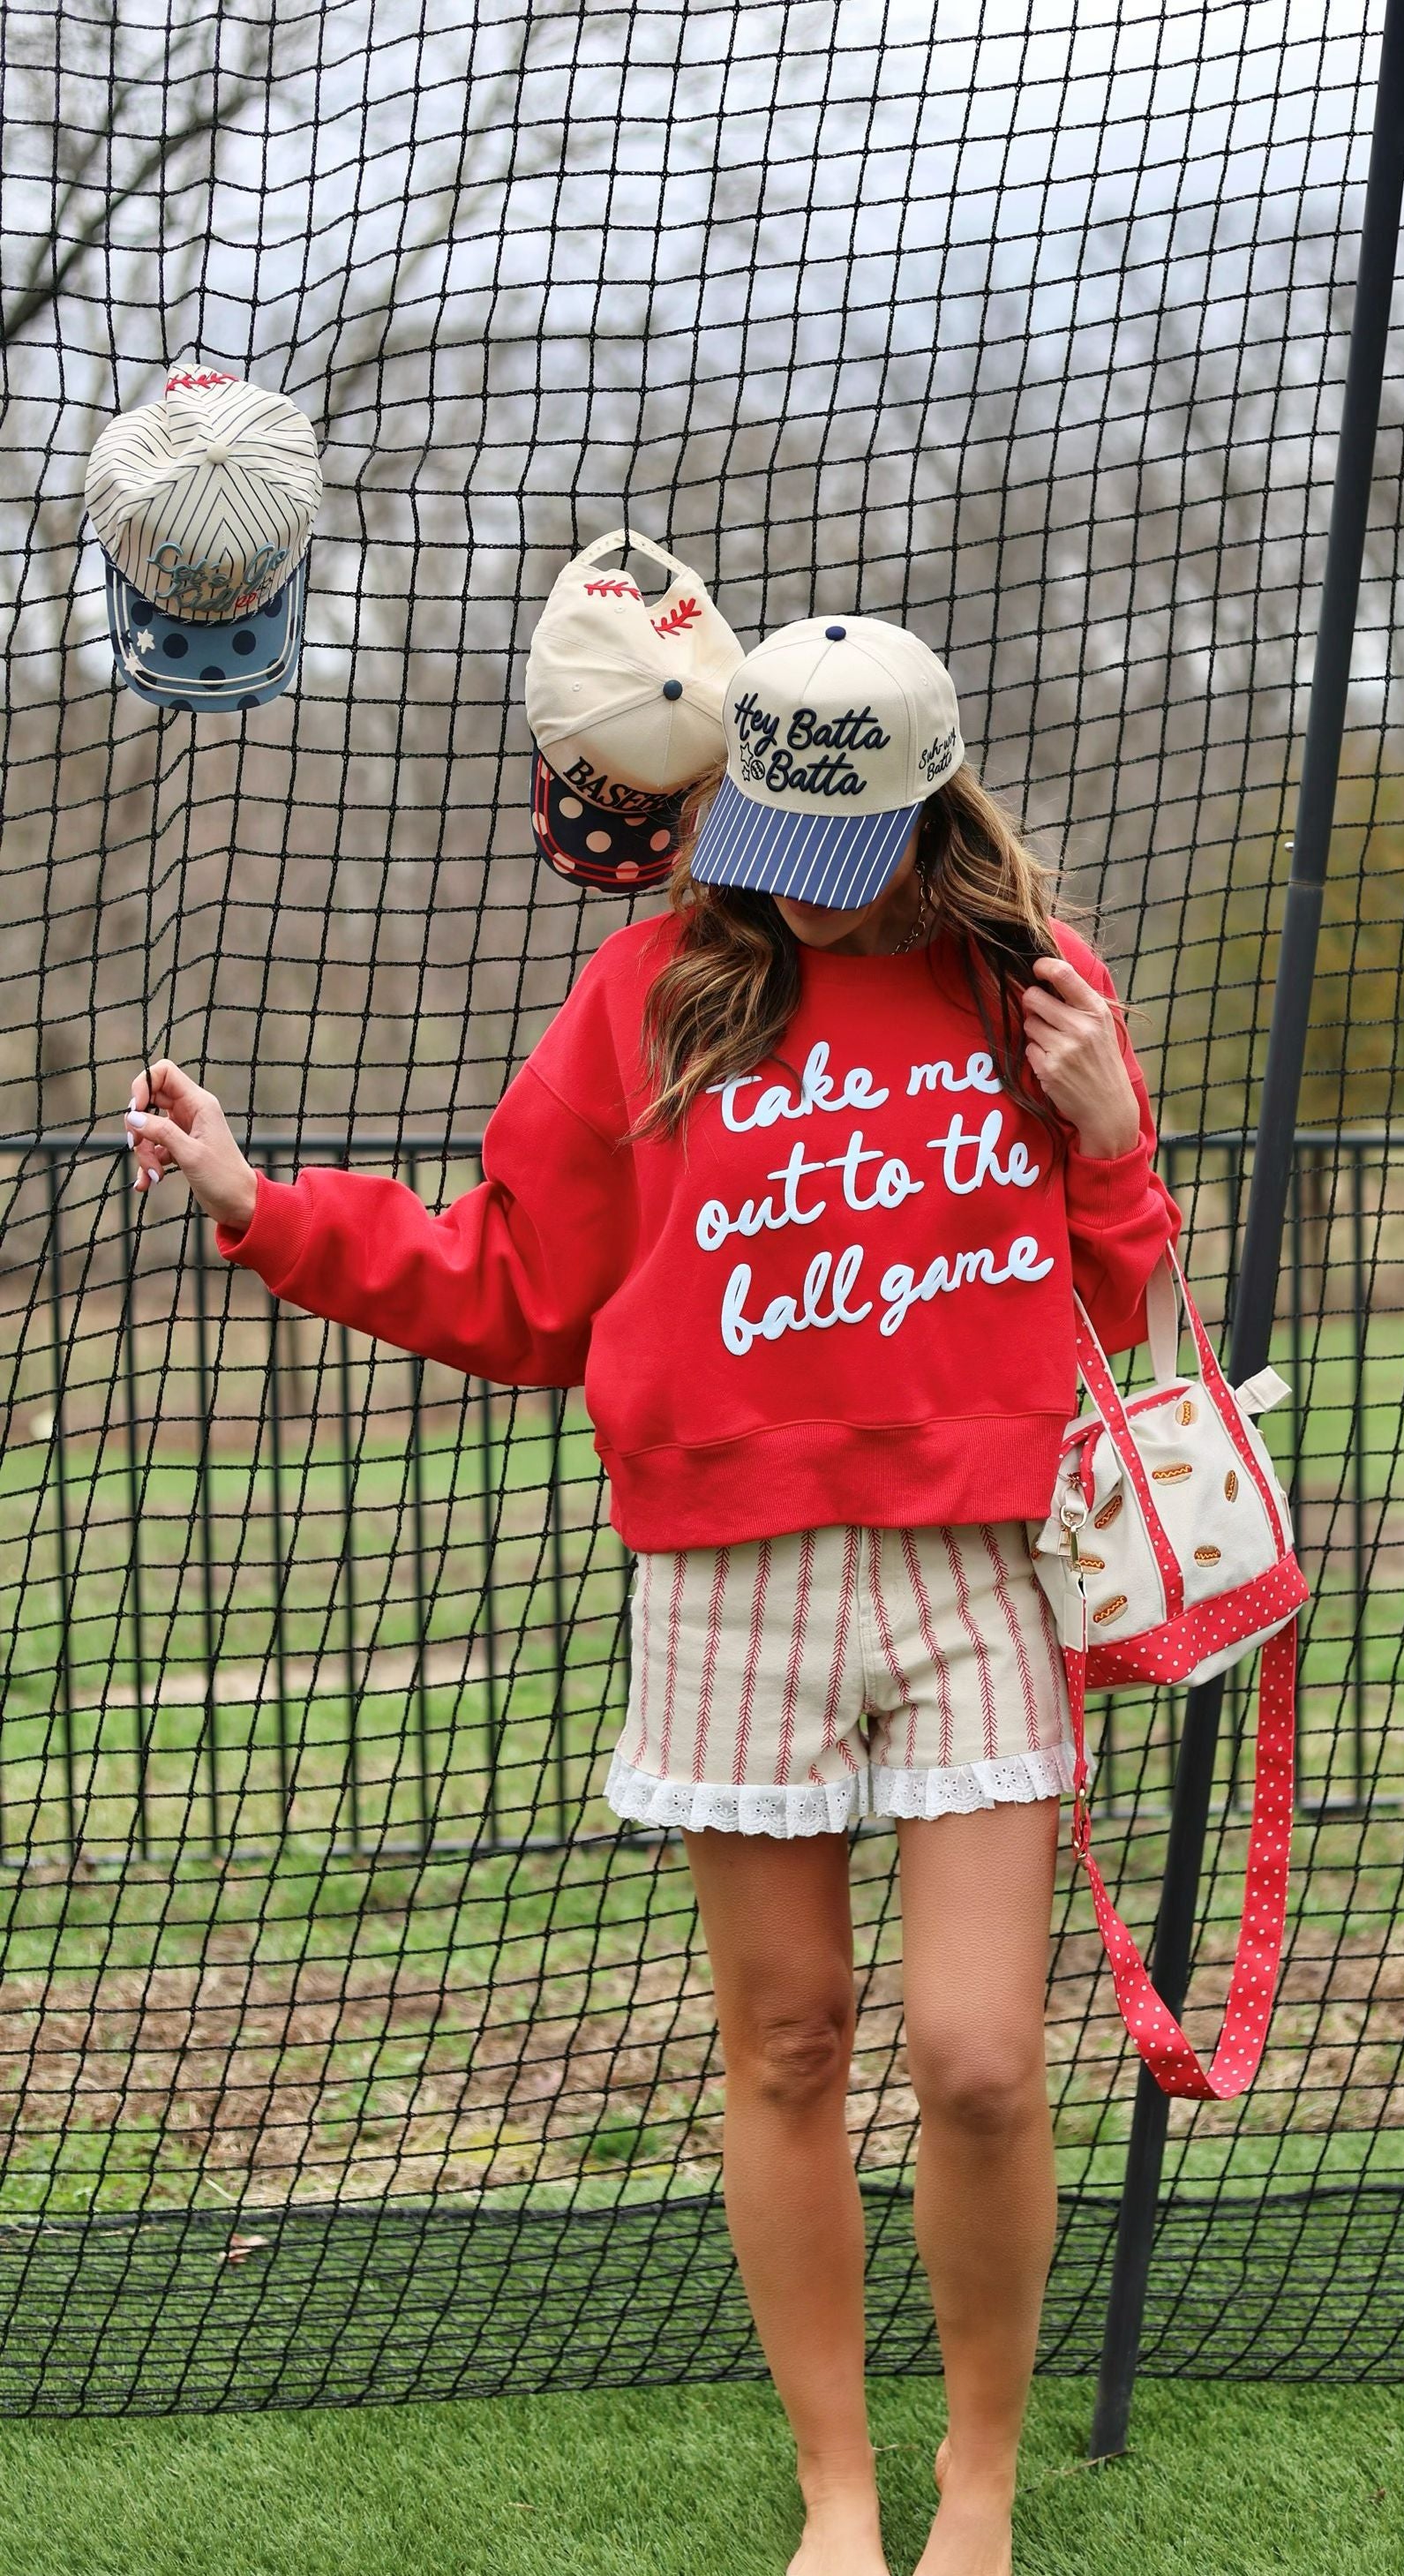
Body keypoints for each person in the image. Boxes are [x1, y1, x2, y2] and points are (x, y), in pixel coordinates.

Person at [123, 612, 1180, 2576]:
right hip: (724, 1580)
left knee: (977, 2051)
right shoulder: (656, 986)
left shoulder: (1031, 982)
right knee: (786, 2039)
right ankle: (841, 2497)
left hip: (978, 1564)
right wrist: (269, 1207)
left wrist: (1112, 1141)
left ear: (928, 804)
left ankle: (979, 2482)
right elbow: (517, 1283)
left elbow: (1115, 1308)